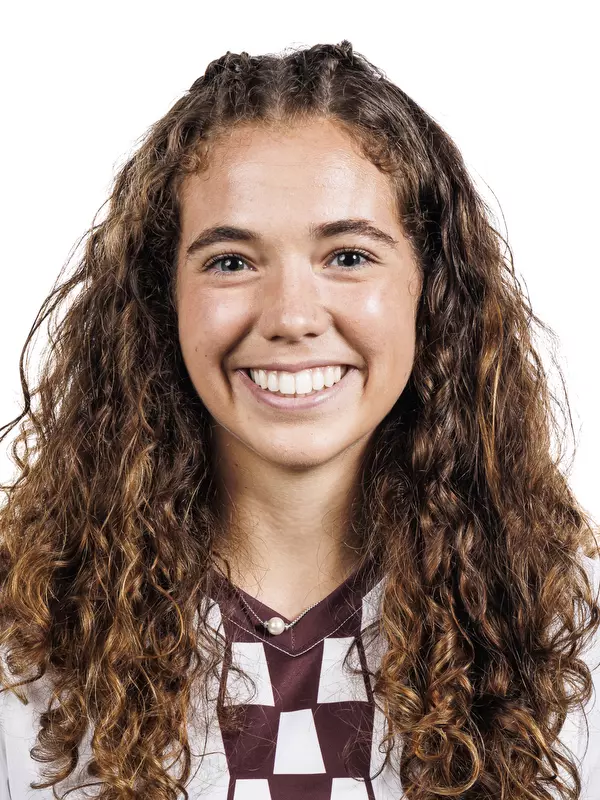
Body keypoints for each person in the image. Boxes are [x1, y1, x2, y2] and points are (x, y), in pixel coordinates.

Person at [1, 39, 599, 800]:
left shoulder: (567, 631)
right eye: (230, 261)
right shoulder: (24, 646)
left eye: (348, 256)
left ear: (431, 291)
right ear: (162, 301)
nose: (290, 317)